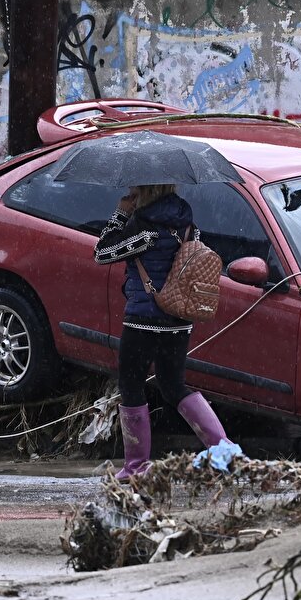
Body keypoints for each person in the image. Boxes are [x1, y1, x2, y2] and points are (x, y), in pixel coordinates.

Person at [94, 183, 234, 479]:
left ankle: (136, 466)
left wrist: (121, 213)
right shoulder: (186, 223)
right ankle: (222, 447)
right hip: (179, 318)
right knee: (174, 386)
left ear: (144, 189)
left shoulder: (143, 227)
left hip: (143, 319)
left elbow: (103, 251)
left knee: (131, 386)